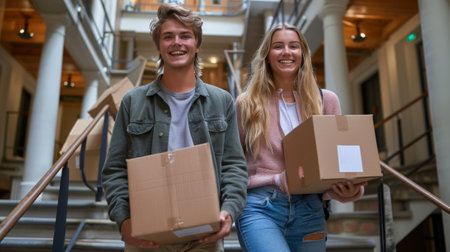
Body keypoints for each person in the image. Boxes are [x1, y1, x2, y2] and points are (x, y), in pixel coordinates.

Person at [102, 3, 248, 251]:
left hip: (205, 235)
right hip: (147, 234)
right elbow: (114, 170)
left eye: (185, 36)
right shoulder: (133, 102)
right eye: (168, 37)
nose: (176, 43)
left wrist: (229, 210)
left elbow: (234, 165)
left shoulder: (221, 101)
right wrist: (124, 219)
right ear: (159, 46)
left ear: (197, 44)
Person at [234, 23, 367, 252]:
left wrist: (349, 189)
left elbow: (339, 159)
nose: (286, 52)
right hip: (261, 207)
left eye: (293, 46)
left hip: (310, 210)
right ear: (266, 55)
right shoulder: (246, 104)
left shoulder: (326, 100)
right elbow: (234, 163)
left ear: (303, 54)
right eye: (278, 46)